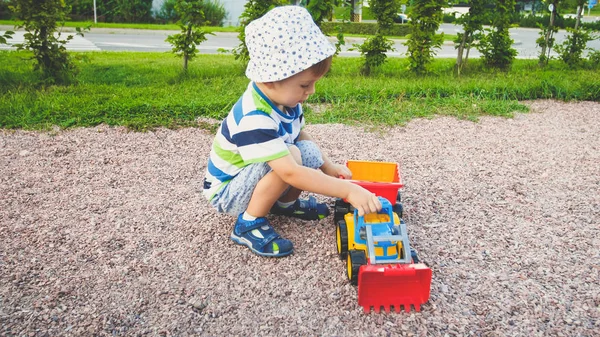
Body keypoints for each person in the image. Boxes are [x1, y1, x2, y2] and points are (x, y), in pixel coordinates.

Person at [202, 5, 381, 257]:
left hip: (254, 176)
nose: (312, 91)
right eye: (305, 84)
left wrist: (327, 166)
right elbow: (289, 171)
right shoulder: (254, 117)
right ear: (269, 79)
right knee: (293, 157)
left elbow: (299, 134)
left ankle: (284, 205)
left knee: (304, 150)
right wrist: (349, 191)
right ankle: (248, 223)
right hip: (229, 192)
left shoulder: (286, 100)